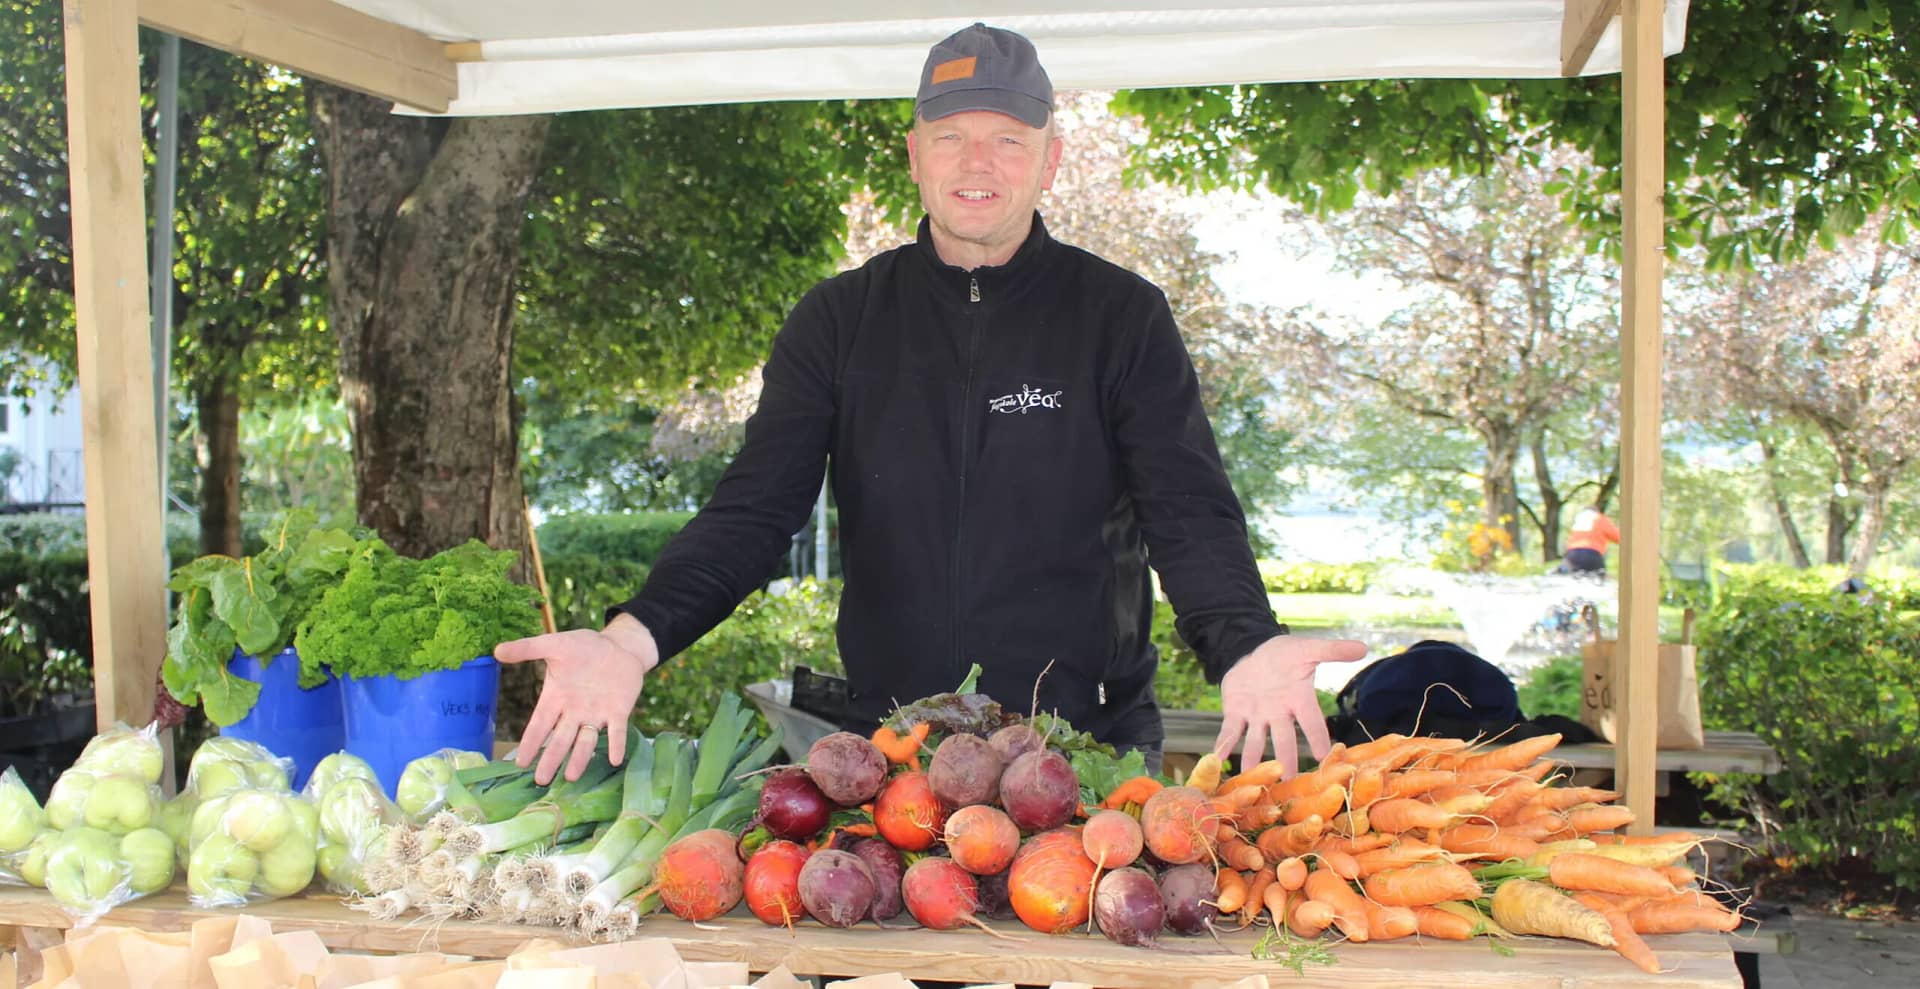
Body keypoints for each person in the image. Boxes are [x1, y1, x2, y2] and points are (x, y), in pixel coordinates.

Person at [495, 23, 1366, 786]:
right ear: (913, 154)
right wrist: (631, 639)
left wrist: (1245, 643)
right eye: (950, 137)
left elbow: (1188, 510)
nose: (976, 163)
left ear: (1050, 159)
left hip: (1085, 744)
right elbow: (753, 511)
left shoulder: (1119, 315)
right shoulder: (839, 319)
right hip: (893, 745)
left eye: (1008, 139)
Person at [1559, 504, 1621, 576]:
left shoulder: (1578, 522)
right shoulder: (1600, 519)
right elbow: (1618, 537)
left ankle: (1564, 569)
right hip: (1592, 555)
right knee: (1599, 578)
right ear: (1596, 511)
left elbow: (1567, 543)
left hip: (1572, 555)